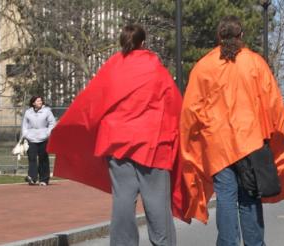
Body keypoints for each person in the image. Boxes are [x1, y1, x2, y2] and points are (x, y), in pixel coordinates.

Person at [47, 24, 187, 246]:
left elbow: (91, 101)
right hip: (153, 143)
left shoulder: (112, 67)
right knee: (156, 202)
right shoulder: (155, 68)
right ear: (143, 43)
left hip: (118, 142)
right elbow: (173, 104)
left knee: (123, 200)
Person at [179, 16, 284, 246]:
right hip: (250, 141)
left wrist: (191, 143)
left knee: (226, 198)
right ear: (241, 36)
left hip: (218, 144)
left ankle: (227, 242)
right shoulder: (255, 63)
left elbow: (190, 111)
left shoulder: (204, 66)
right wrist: (277, 138)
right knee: (249, 197)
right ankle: (254, 243)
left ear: (218, 37)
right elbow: (274, 104)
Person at [21, 96, 56, 186]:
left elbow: (52, 123)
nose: (40, 102)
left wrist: (47, 133)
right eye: (38, 101)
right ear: (33, 103)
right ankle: (32, 178)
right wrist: (26, 134)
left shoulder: (47, 111)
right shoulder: (28, 112)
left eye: (40, 100)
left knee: (43, 159)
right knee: (32, 158)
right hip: (31, 138)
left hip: (43, 138)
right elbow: (24, 125)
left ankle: (44, 179)